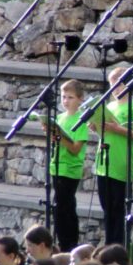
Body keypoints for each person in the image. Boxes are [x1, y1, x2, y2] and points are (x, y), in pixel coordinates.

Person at [92, 66, 133, 246]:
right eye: (111, 83)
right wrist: (96, 127)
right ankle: (109, 247)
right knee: (107, 209)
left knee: (117, 210)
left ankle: (116, 249)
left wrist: (116, 128)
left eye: (118, 82)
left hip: (121, 163)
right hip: (104, 161)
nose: (114, 87)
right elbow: (105, 133)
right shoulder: (109, 106)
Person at [49, 79, 89, 252]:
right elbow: (58, 142)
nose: (65, 101)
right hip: (56, 166)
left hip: (70, 169)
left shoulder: (81, 120)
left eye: (70, 97)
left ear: (80, 99)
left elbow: (75, 148)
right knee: (57, 207)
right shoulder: (60, 117)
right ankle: (60, 241)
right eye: (63, 97)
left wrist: (60, 137)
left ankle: (69, 244)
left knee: (66, 207)